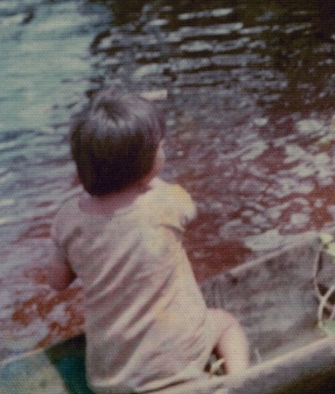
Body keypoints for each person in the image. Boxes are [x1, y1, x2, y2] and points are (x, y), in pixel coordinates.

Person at [42, 91, 249, 394]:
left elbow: (57, 282)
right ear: (146, 165)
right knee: (226, 323)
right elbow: (189, 211)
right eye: (161, 148)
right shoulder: (165, 201)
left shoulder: (67, 219)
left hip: (107, 379)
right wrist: (149, 184)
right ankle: (241, 385)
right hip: (179, 359)